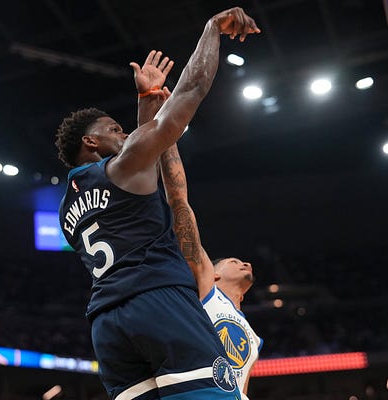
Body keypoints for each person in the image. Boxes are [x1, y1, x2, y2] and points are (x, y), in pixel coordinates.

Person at [56, 8, 260, 400]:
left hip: (107, 326)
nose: (124, 133)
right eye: (114, 129)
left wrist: (147, 101)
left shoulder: (67, 209)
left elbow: (138, 170)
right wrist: (212, 29)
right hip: (158, 301)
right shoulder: (121, 166)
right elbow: (190, 91)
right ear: (91, 142)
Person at [160, 143, 262, 400]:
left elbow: (241, 387)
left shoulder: (254, 337)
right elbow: (179, 204)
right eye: (234, 261)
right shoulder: (208, 290)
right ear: (214, 274)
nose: (245, 263)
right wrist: (167, 139)